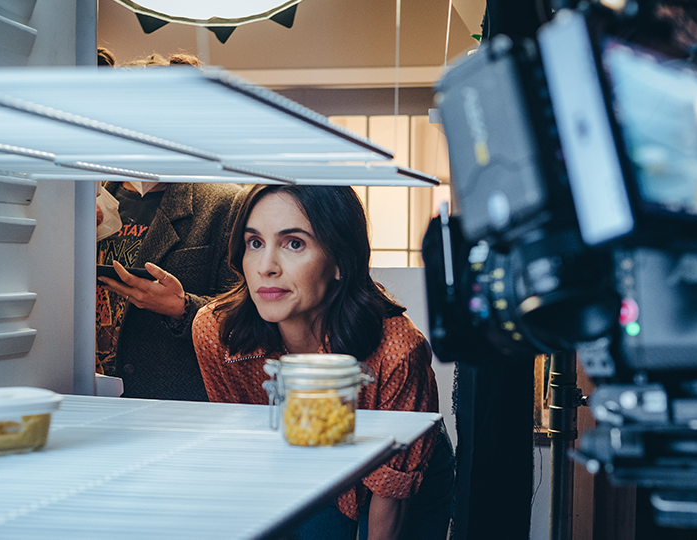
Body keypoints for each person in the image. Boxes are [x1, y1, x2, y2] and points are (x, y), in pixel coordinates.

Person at [192, 185, 454, 540]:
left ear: (340, 262)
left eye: (294, 243)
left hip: (400, 475)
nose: (266, 267)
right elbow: (247, 455)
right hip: (300, 459)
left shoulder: (396, 348)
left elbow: (389, 497)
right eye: (255, 243)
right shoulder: (217, 332)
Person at [95, 52, 247, 401]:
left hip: (172, 397)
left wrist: (182, 308)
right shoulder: (92, 199)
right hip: (86, 386)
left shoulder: (224, 203)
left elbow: (247, 318)